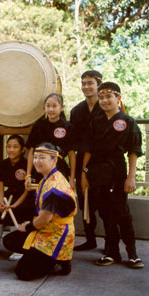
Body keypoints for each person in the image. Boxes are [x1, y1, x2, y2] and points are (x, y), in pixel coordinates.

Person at [81, 82, 144, 269]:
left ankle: (132, 254)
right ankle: (112, 252)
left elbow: (133, 151)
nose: (105, 100)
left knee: (122, 213)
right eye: (101, 97)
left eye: (109, 97)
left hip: (117, 172)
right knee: (105, 214)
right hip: (96, 173)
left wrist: (131, 177)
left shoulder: (128, 121)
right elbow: (88, 151)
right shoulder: (95, 122)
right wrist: (84, 174)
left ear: (118, 98)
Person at [3, 143, 77, 281]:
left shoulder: (55, 186)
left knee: (23, 272)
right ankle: (38, 256)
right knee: (9, 240)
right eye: (35, 157)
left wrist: (28, 226)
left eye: (42, 157)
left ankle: (58, 260)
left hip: (56, 233)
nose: (36, 161)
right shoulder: (47, 178)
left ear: (54, 160)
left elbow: (44, 219)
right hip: (44, 228)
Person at [70, 70, 106, 252]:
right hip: (82, 160)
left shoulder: (108, 106)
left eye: (90, 83)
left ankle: (111, 244)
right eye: (83, 83)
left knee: (105, 204)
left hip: (103, 162)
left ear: (99, 84)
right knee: (85, 202)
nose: (86, 87)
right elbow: (74, 142)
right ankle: (90, 239)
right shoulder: (77, 111)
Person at [0, 135, 34, 263]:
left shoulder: (27, 165)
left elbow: (26, 190)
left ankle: (18, 249)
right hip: (6, 198)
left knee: (18, 216)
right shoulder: (2, 164)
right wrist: (1, 202)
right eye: (9, 146)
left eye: (15, 147)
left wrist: (14, 206)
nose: (11, 149)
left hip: (22, 199)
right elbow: (0, 186)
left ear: (23, 149)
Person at [25, 93, 76, 190]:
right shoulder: (38, 126)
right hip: (39, 169)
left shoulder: (68, 127)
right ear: (44, 107)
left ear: (61, 107)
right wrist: (28, 175)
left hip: (59, 169)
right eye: (48, 106)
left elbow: (71, 154)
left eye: (54, 106)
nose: (51, 109)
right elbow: (31, 152)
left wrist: (72, 178)